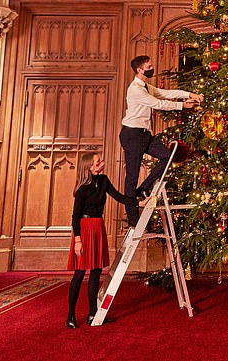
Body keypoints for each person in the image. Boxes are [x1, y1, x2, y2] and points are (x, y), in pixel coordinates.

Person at [120, 55, 201, 227]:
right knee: (131, 177)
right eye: (149, 67)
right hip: (132, 135)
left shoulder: (146, 87)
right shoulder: (135, 89)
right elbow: (158, 103)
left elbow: (165, 93)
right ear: (140, 70)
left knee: (168, 156)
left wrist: (189, 94)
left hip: (144, 135)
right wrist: (182, 106)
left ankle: (144, 188)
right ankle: (132, 218)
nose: (151, 69)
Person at [67, 152, 136, 328]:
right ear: (89, 167)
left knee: (96, 272)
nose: (102, 163)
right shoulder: (82, 189)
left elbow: (119, 197)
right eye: (98, 161)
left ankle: (92, 314)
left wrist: (138, 203)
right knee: (80, 273)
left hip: (98, 226)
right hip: (84, 229)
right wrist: (77, 241)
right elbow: (75, 216)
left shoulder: (104, 180)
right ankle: (71, 316)